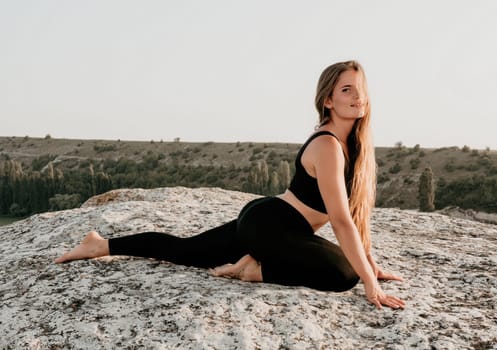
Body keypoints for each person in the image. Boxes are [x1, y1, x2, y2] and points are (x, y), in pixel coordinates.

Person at [55, 60, 405, 310]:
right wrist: (370, 284)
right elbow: (342, 221)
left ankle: (100, 245)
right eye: (347, 90)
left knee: (186, 251)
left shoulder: (352, 147)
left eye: (360, 90)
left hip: (271, 221)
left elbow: (357, 214)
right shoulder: (328, 145)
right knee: (345, 274)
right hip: (272, 225)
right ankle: (253, 270)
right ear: (329, 100)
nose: (357, 97)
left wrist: (371, 264)